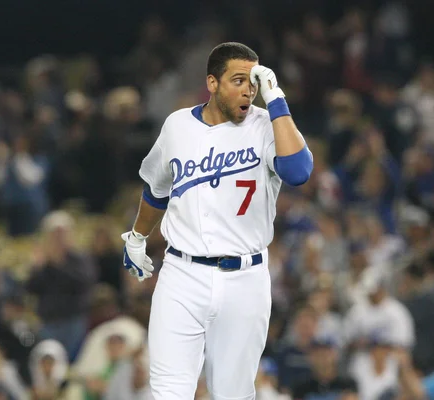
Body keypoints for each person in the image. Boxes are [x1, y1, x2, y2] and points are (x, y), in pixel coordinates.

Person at [120, 42, 313, 400]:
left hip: (246, 279)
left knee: (233, 394)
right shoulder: (177, 126)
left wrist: (277, 100)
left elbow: (299, 171)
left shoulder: (267, 125)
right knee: (168, 392)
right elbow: (156, 190)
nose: (248, 90)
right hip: (182, 275)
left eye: (253, 82)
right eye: (238, 80)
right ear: (212, 83)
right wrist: (137, 236)